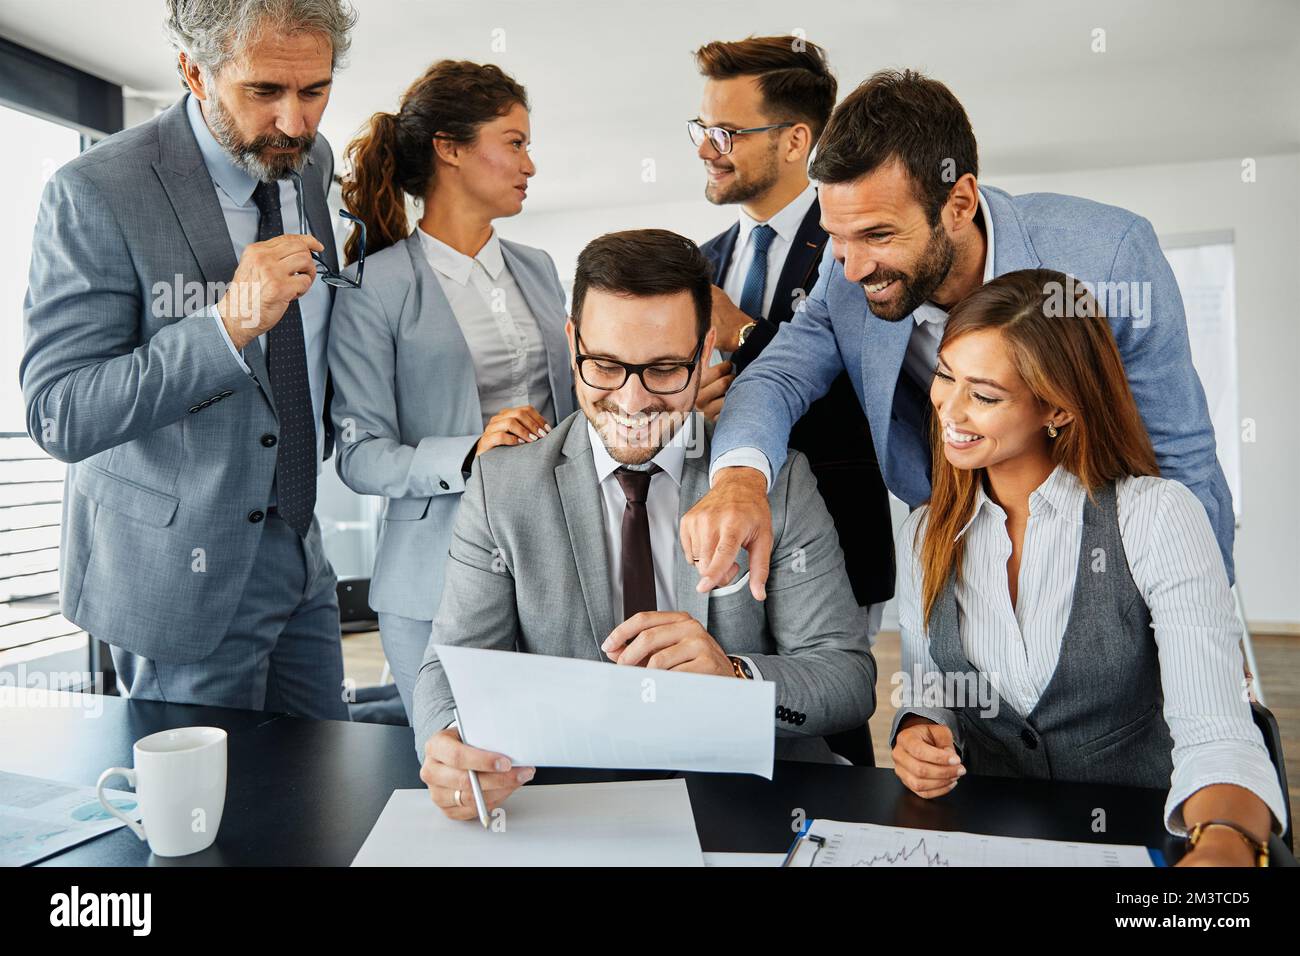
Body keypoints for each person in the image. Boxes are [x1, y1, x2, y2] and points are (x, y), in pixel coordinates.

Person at [682, 69, 1235, 600]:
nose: (851, 269)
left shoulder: (1110, 256)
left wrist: (1199, 605)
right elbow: (778, 377)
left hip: (1107, 536)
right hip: (963, 544)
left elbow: (1177, 449)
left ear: (959, 204)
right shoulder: (845, 272)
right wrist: (738, 479)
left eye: (878, 234)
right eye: (836, 237)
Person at [412, 230, 876, 819]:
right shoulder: (502, 485)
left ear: (706, 348)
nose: (632, 403)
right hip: (566, 808)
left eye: (663, 370)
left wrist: (734, 679)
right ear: (573, 342)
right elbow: (448, 663)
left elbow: (847, 679)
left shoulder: (773, 482)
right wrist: (450, 741)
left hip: (750, 802)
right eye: (604, 366)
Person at [20, 0, 358, 717]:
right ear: (193, 71)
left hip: (301, 548)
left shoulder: (310, 162)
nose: (295, 123)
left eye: (315, 90)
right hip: (180, 571)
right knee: (208, 822)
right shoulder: (96, 190)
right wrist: (227, 325)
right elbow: (60, 411)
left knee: (323, 797)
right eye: (264, 92)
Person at [889, 269, 1285, 866]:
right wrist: (920, 729)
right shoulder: (925, 533)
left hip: (1140, 838)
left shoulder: (1156, 517)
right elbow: (933, 690)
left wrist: (1224, 845)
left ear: (1058, 408)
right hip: (989, 841)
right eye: (946, 375)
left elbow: (1216, 731)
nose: (950, 408)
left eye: (985, 395)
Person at [329, 60, 575, 723]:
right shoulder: (369, 287)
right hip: (432, 584)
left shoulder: (540, 268)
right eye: (515, 142)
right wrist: (471, 453)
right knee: (465, 774)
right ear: (451, 148)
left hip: (553, 571)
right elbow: (359, 455)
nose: (530, 164)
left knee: (558, 764)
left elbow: (574, 410)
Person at [690, 35, 894, 649]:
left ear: (795, 140)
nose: (705, 147)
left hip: (836, 538)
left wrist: (744, 333)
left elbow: (874, 398)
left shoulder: (856, 247)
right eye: (702, 128)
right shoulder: (700, 264)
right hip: (721, 554)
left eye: (726, 132)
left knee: (829, 726)